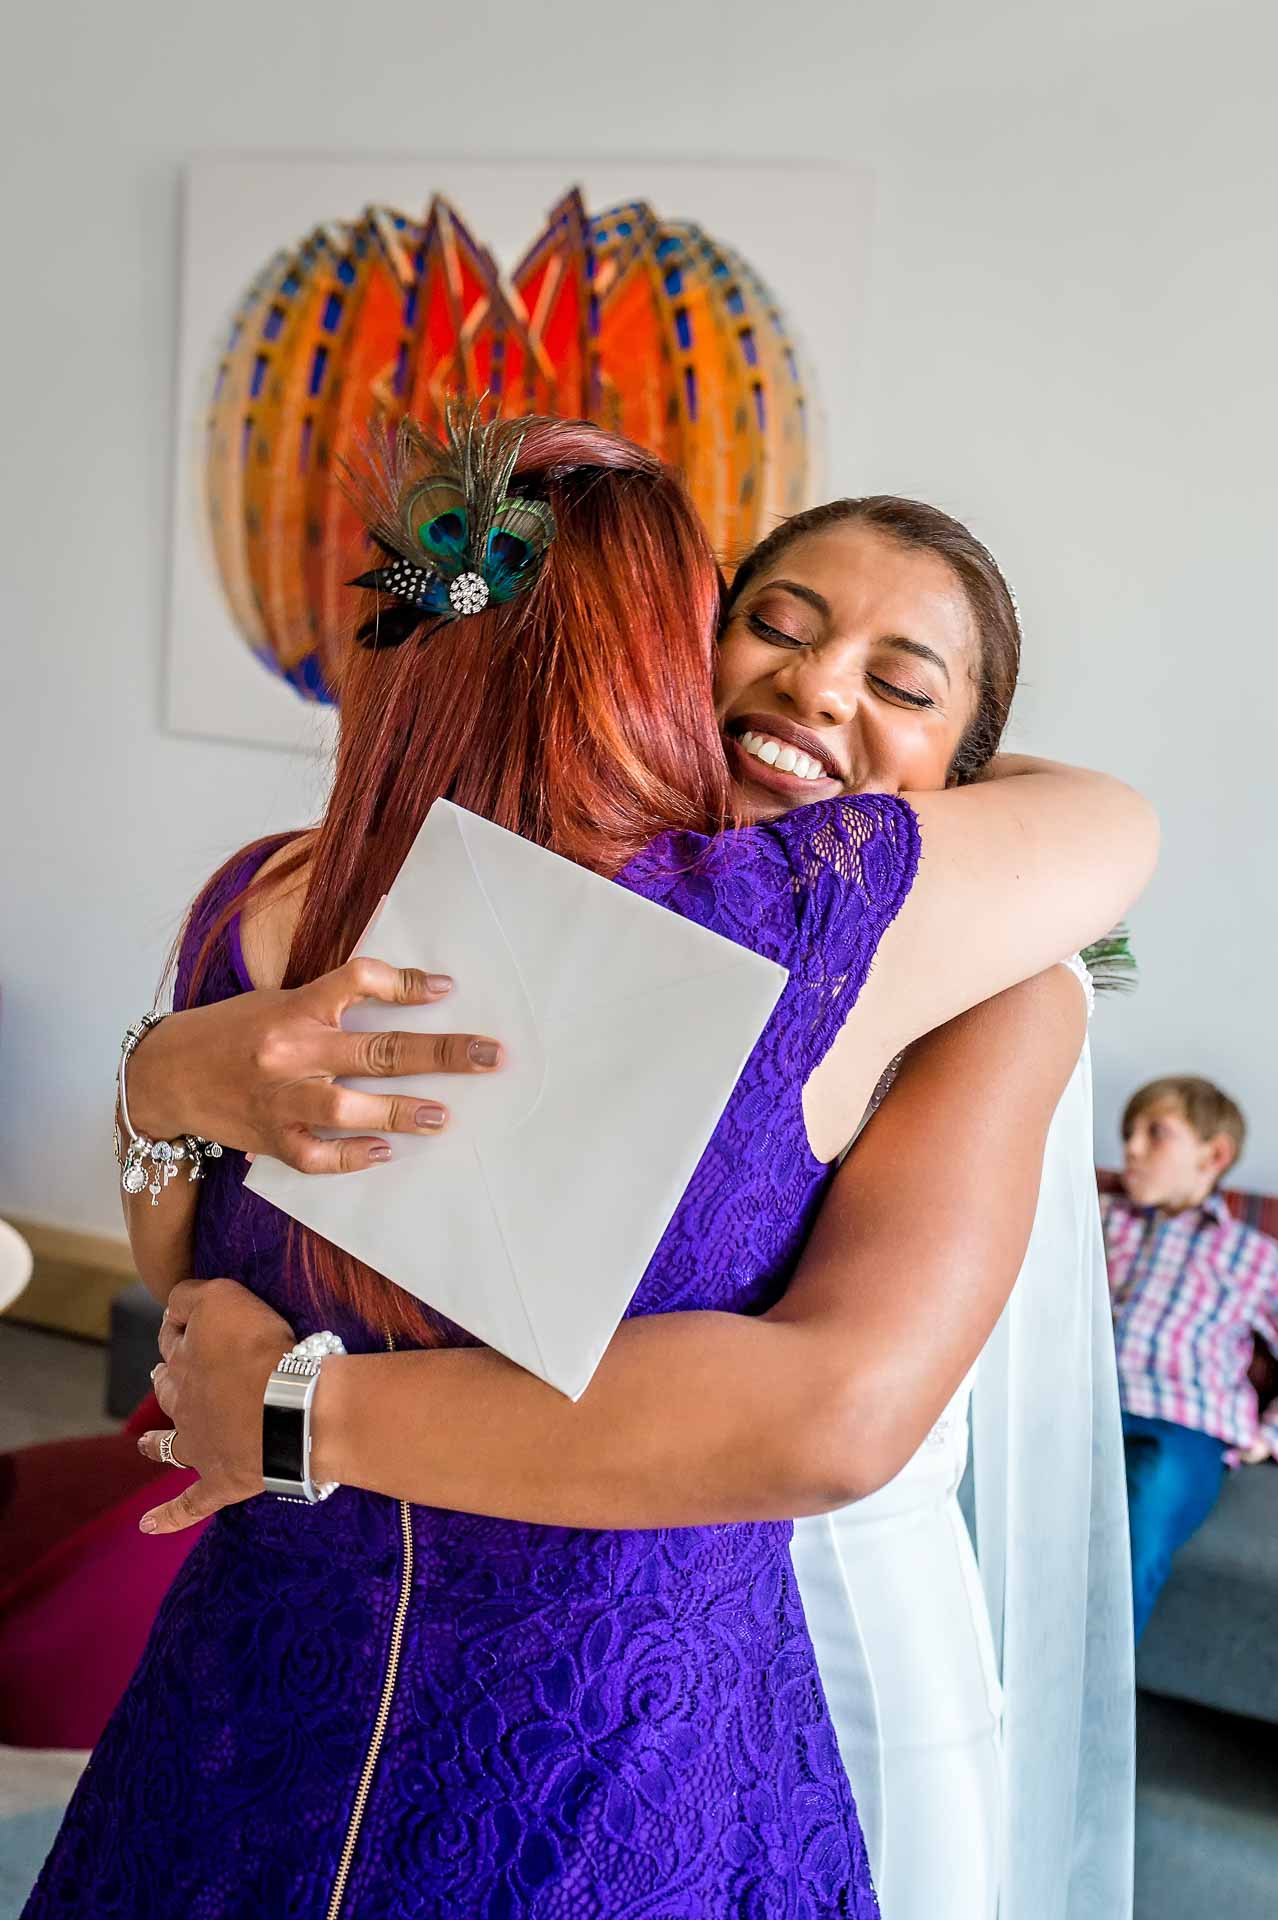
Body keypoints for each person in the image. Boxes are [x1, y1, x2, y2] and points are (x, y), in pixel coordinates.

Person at [24, 415, 1155, 1920]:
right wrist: (167, 1075)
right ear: (676, 655)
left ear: (968, 779)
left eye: (898, 683)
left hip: (708, 1648)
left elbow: (838, 1412)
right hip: (485, 1685)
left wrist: (287, 1386)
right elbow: (193, 1282)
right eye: (772, 624)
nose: (817, 687)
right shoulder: (692, 917)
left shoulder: (939, 965)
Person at [1105, 1075, 1278, 1641]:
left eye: (1155, 1133)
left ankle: (1081, 1705)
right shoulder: (1099, 1219)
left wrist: (1268, 1436)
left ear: (1215, 1154)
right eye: (1128, 1132)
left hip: (1183, 1427)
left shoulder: (1252, 1255)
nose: (1130, 1147)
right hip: (1085, 1411)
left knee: (1143, 1514)